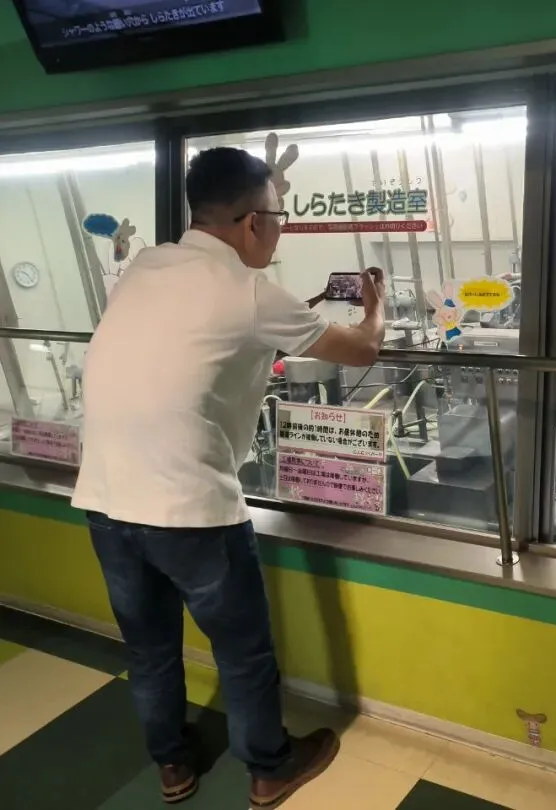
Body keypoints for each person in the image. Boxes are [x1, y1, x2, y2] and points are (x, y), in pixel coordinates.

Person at [72, 147, 386, 807]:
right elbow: (362, 349)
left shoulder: (146, 266)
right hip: (191, 511)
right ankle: (270, 767)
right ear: (251, 223)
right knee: (243, 653)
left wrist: (297, 306)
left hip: (105, 500)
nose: (279, 230)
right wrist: (374, 307)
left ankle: (172, 766)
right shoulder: (249, 292)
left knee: (150, 650)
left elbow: (196, 335)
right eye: (279, 216)